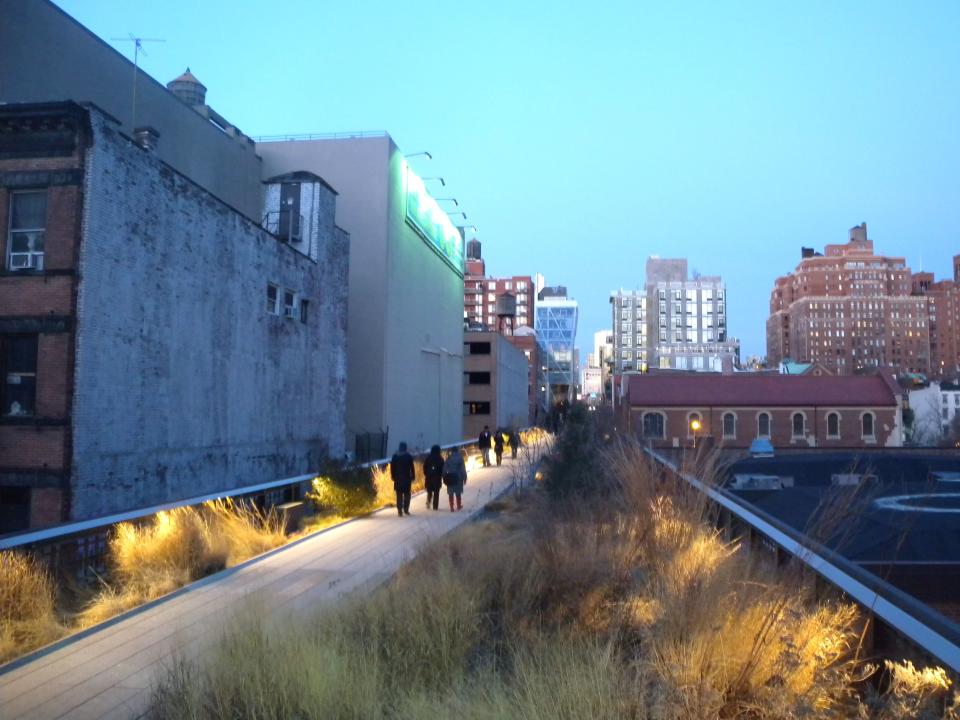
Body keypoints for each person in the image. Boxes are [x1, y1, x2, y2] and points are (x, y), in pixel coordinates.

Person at [390, 441, 415, 516]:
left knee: (399, 495)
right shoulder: (408, 456)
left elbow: (392, 467)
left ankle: (399, 510)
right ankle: (406, 509)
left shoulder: (395, 456)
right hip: (407, 478)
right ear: (405, 448)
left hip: (398, 478)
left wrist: (393, 476)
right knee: (407, 494)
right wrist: (413, 476)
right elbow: (412, 468)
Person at [422, 444, 444, 511]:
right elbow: (442, 468)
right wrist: (441, 475)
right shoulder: (440, 458)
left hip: (429, 477)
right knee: (436, 493)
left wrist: (426, 473)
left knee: (429, 491)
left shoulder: (428, 458)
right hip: (437, 478)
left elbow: (424, 467)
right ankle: (435, 506)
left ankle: (428, 502)